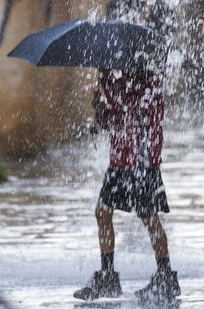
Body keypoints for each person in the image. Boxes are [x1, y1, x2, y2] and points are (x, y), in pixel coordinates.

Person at [74, 67, 181, 304]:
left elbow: (134, 109)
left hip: (142, 161)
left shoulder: (150, 82)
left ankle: (165, 277)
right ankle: (107, 275)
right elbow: (113, 122)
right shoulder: (118, 82)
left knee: (150, 219)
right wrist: (100, 107)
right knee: (102, 212)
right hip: (119, 161)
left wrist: (107, 91)